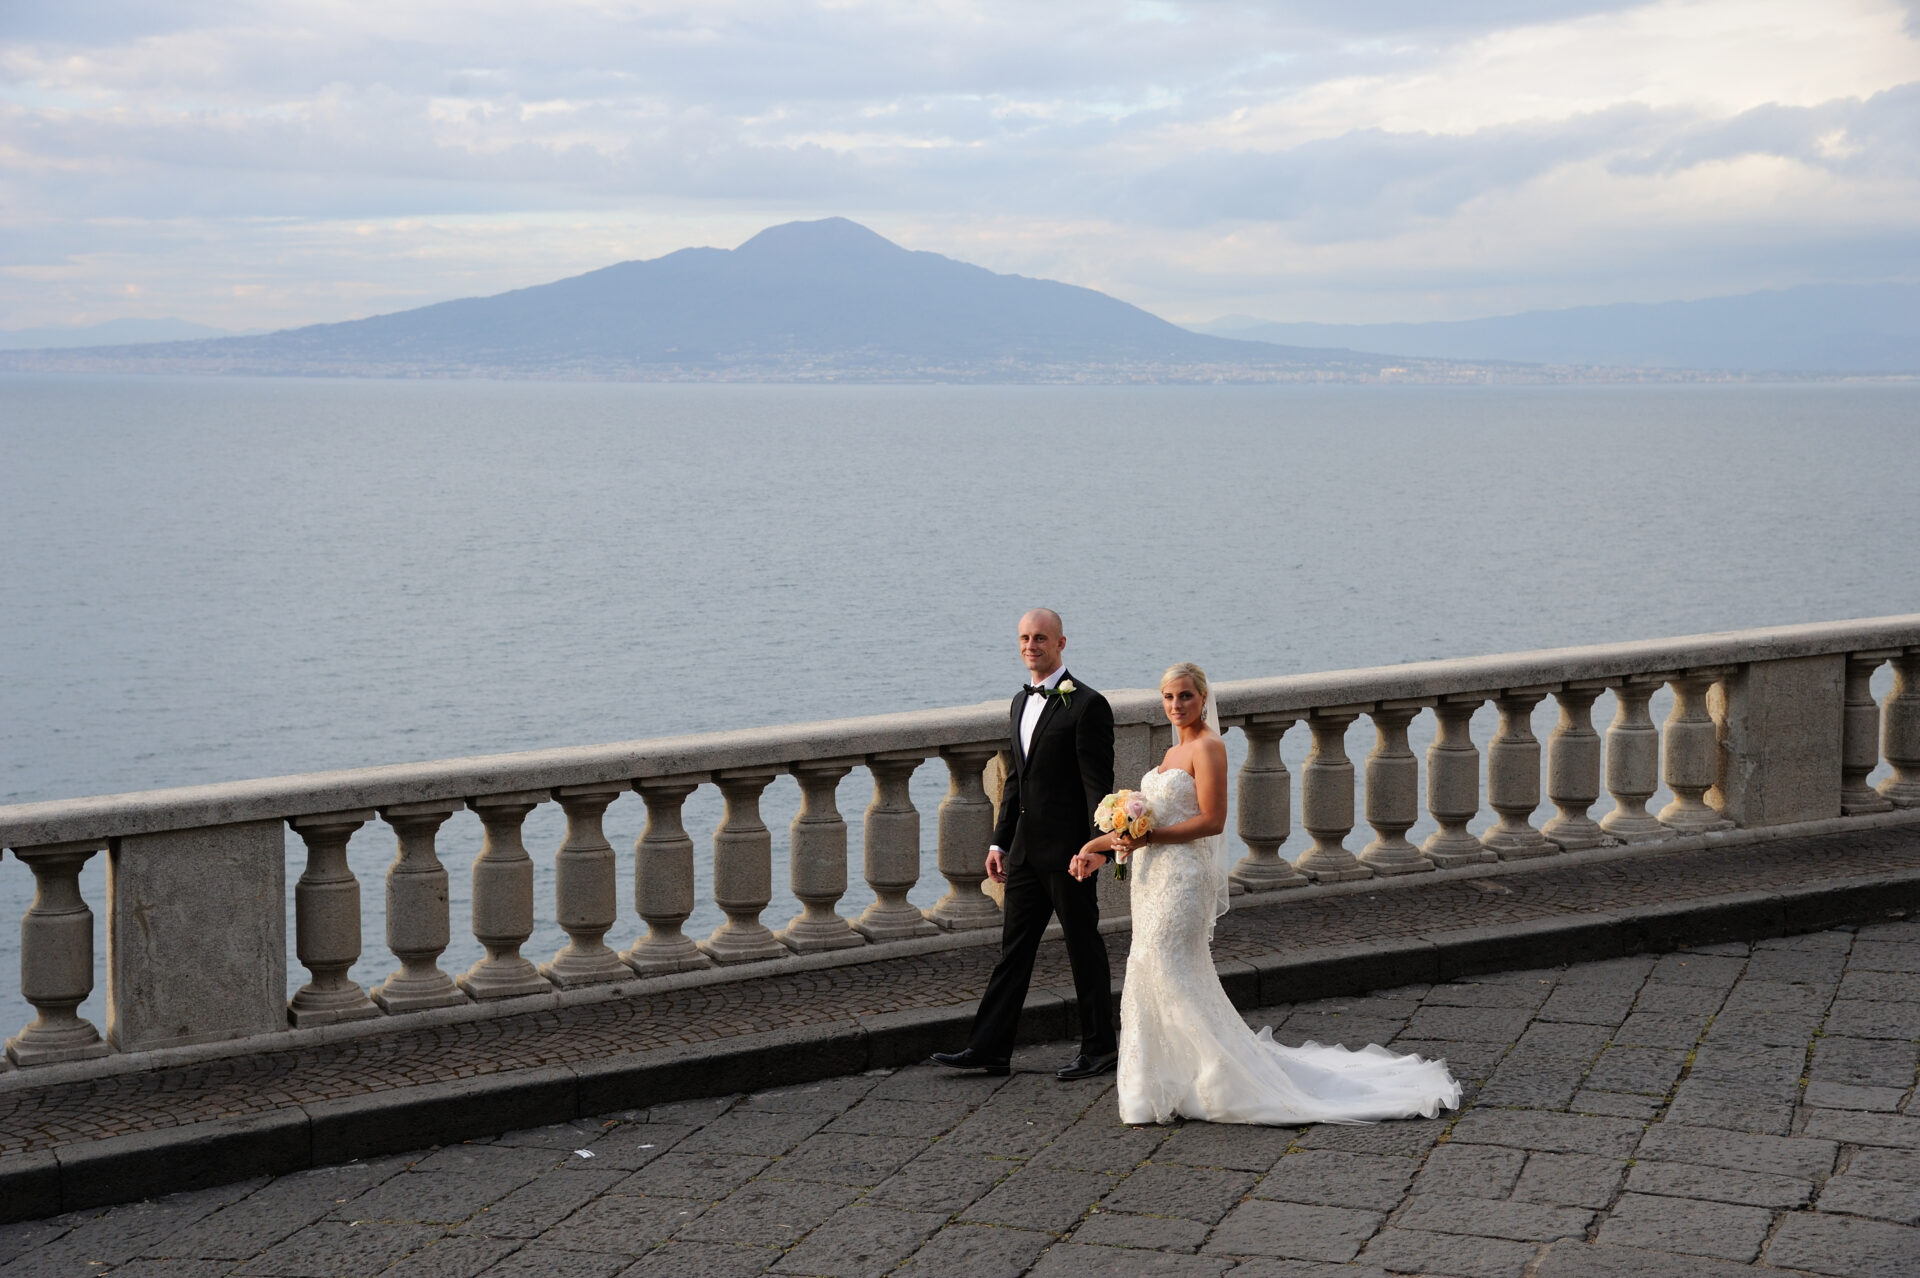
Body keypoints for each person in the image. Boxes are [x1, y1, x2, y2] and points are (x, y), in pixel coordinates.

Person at [1073, 661, 1461, 1125]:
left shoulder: (1209, 747)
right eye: (1169, 698)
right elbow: (1150, 822)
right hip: (1151, 879)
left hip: (1182, 882)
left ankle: (1215, 1080)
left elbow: (1211, 821)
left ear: (1203, 698)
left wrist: (1147, 839)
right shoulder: (1171, 754)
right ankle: (1169, 1080)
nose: (1176, 706)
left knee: (1168, 969)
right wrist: (1099, 845)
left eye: (1186, 696)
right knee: (1149, 970)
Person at [932, 608, 1119, 1080]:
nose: (1030, 645)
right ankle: (990, 1048)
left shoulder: (1088, 705)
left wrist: (1098, 847)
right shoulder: (1019, 702)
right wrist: (999, 843)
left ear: (1060, 644)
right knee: (1012, 953)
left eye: (1040, 638)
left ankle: (1100, 1048)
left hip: (1070, 855)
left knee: (1084, 949)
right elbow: (1015, 780)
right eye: (1023, 638)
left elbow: (1099, 788)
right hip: (1023, 855)